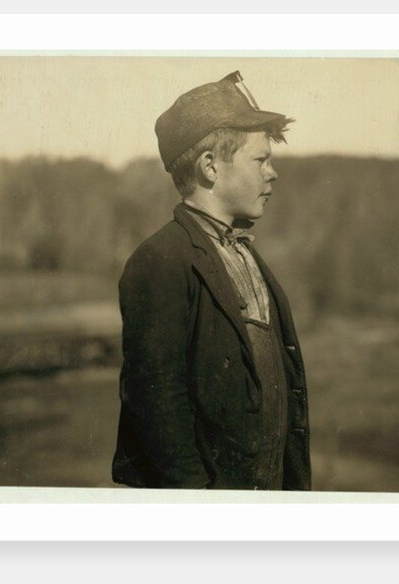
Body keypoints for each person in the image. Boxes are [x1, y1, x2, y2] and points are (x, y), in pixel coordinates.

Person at [111, 71, 311, 490]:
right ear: (209, 167)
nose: (273, 174)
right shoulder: (160, 262)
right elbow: (158, 412)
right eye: (261, 160)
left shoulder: (246, 254)